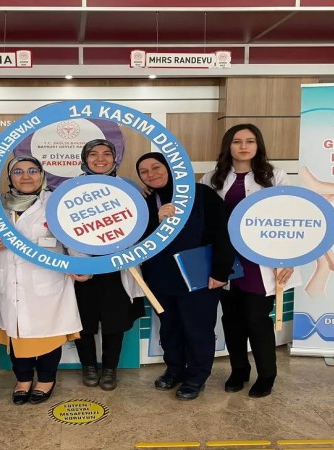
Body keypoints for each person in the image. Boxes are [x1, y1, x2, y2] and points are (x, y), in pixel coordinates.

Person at [200, 123, 299, 398]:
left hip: (261, 262)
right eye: (237, 141)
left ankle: (267, 375)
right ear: (228, 146)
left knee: (257, 319)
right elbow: (202, 216)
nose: (243, 146)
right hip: (225, 261)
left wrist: (288, 259)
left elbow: (291, 219)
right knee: (231, 319)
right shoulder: (211, 178)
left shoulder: (275, 176)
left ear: (258, 145)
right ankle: (239, 370)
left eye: (250, 141)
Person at [136, 152, 235, 401]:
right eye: (144, 171)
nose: (151, 174)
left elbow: (223, 233)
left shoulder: (201, 194)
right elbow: (136, 239)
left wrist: (221, 271)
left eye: (156, 167)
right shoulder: (145, 203)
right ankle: (175, 370)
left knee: (197, 328)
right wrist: (155, 220)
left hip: (199, 276)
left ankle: (197, 376)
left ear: (170, 168)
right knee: (169, 327)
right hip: (160, 276)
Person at [0, 156, 85, 405]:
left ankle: (46, 379)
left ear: (42, 175)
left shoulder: (55, 202)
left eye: (32, 171)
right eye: (18, 171)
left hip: (47, 281)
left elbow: (73, 236)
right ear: (9, 177)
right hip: (10, 281)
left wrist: (82, 264)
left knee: (48, 334)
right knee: (17, 335)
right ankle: (22, 380)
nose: (26, 176)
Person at [73, 139, 145, 391]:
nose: (100, 159)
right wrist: (83, 264)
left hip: (118, 267)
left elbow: (140, 226)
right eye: (93, 154)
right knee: (83, 322)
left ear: (115, 159)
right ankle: (89, 366)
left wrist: (123, 253)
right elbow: (63, 230)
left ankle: (110, 369)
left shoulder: (129, 189)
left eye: (107, 153)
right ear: (85, 159)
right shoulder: (71, 190)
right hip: (83, 268)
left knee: (115, 322)